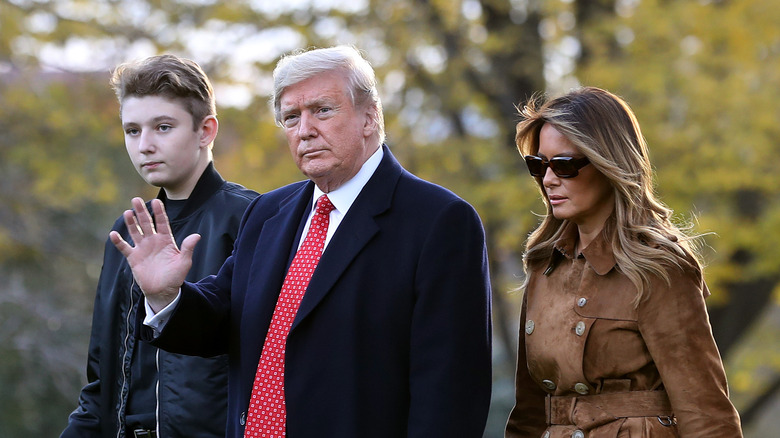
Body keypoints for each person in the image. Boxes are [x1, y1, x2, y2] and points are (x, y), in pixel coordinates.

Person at [109, 45, 493, 438]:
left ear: (369, 117)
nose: (304, 130)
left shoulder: (439, 220)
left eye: (322, 110)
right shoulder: (267, 213)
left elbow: (451, 393)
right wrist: (166, 296)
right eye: (291, 117)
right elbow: (222, 320)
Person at [504, 87, 743, 437]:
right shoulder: (544, 266)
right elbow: (529, 413)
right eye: (538, 165)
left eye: (565, 165)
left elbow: (705, 412)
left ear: (607, 163)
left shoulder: (657, 268)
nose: (549, 179)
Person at [61, 54, 259, 438]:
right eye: (132, 131)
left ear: (205, 131)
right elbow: (101, 380)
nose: (145, 145)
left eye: (163, 127)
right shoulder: (128, 229)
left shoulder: (254, 218)